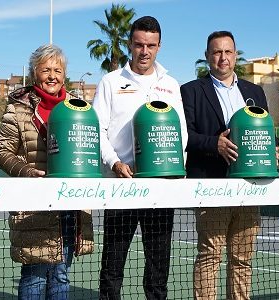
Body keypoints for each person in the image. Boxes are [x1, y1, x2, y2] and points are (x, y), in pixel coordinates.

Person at [92, 16, 188, 300]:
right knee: (112, 266)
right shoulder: (110, 82)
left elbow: (180, 132)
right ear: (129, 45)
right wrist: (115, 163)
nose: (144, 51)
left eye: (151, 45)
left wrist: (170, 168)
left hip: (160, 190)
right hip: (122, 187)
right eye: (138, 45)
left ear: (159, 47)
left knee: (159, 268)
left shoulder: (171, 84)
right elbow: (98, 130)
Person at [0, 44, 95, 300]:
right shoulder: (17, 109)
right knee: (35, 275)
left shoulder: (78, 107)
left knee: (61, 274)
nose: (52, 76)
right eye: (45, 70)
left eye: (57, 70)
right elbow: (2, 152)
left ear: (64, 75)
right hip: (34, 206)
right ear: (34, 73)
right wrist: (26, 171)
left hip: (70, 206)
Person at [181, 30, 268, 300]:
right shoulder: (191, 91)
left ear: (235, 55)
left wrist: (272, 144)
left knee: (242, 259)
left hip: (249, 187)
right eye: (217, 52)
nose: (223, 57)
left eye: (228, 52)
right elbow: (185, 136)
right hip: (212, 185)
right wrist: (214, 144)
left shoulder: (255, 92)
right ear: (207, 56)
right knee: (210, 256)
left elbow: (265, 130)